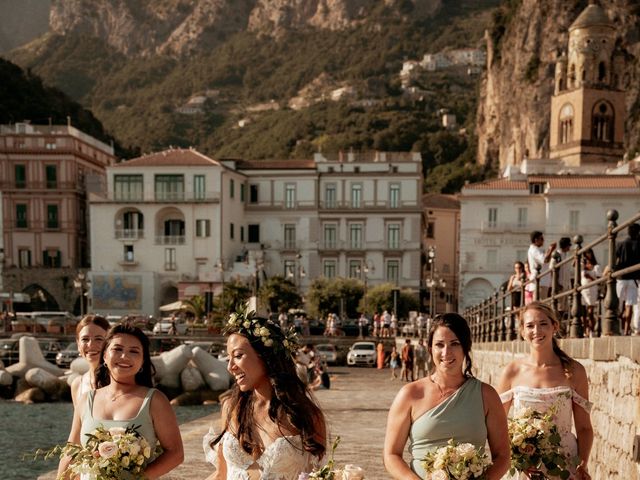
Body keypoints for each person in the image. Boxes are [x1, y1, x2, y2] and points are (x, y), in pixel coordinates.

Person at [383, 313, 510, 479]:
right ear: (430, 348)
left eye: (455, 343)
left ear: (465, 347)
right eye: (439, 345)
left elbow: (503, 456)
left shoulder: (487, 395)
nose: (446, 352)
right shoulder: (410, 394)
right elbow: (391, 455)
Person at [205, 309, 326, 479]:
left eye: (238, 356)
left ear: (265, 356)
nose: (230, 366)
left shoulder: (306, 415)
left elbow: (319, 475)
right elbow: (221, 474)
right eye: (229, 358)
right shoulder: (231, 408)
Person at [58, 323, 184, 479]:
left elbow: (176, 453)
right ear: (104, 355)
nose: (124, 356)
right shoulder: (86, 400)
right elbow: (71, 451)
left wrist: (138, 478)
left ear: (143, 361)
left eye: (134, 351)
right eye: (117, 349)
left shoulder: (155, 400)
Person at [497, 302, 593, 480]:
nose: (536, 331)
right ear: (522, 332)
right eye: (530, 326)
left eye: (543, 324)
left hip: (565, 465)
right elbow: (497, 427)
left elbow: (584, 427)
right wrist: (518, 459)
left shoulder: (574, 371)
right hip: (525, 469)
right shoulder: (511, 372)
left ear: (554, 326)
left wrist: (582, 465)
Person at [70, 314, 111, 406]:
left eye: (99, 339)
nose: (91, 345)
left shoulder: (119, 381)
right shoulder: (77, 385)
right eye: (85, 339)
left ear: (109, 343)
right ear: (78, 344)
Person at [614, 223, 640, 335]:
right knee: (629, 305)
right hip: (634, 278)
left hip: (621, 277)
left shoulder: (620, 244)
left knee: (617, 304)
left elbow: (615, 260)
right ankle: (626, 330)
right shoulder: (639, 244)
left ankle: (614, 328)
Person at [528, 231, 556, 298]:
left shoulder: (536, 250)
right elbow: (545, 260)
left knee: (541, 304)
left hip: (542, 281)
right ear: (536, 240)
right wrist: (551, 249)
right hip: (540, 282)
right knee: (540, 305)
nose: (543, 240)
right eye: (541, 239)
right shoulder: (534, 250)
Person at [580, 249, 601, 337]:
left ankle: (591, 330)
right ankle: (585, 330)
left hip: (592, 289)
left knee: (590, 311)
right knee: (583, 312)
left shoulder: (596, 266)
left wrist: (590, 277)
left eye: (589, 253)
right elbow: (574, 265)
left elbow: (599, 280)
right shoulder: (582, 266)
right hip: (583, 289)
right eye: (585, 254)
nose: (587, 256)